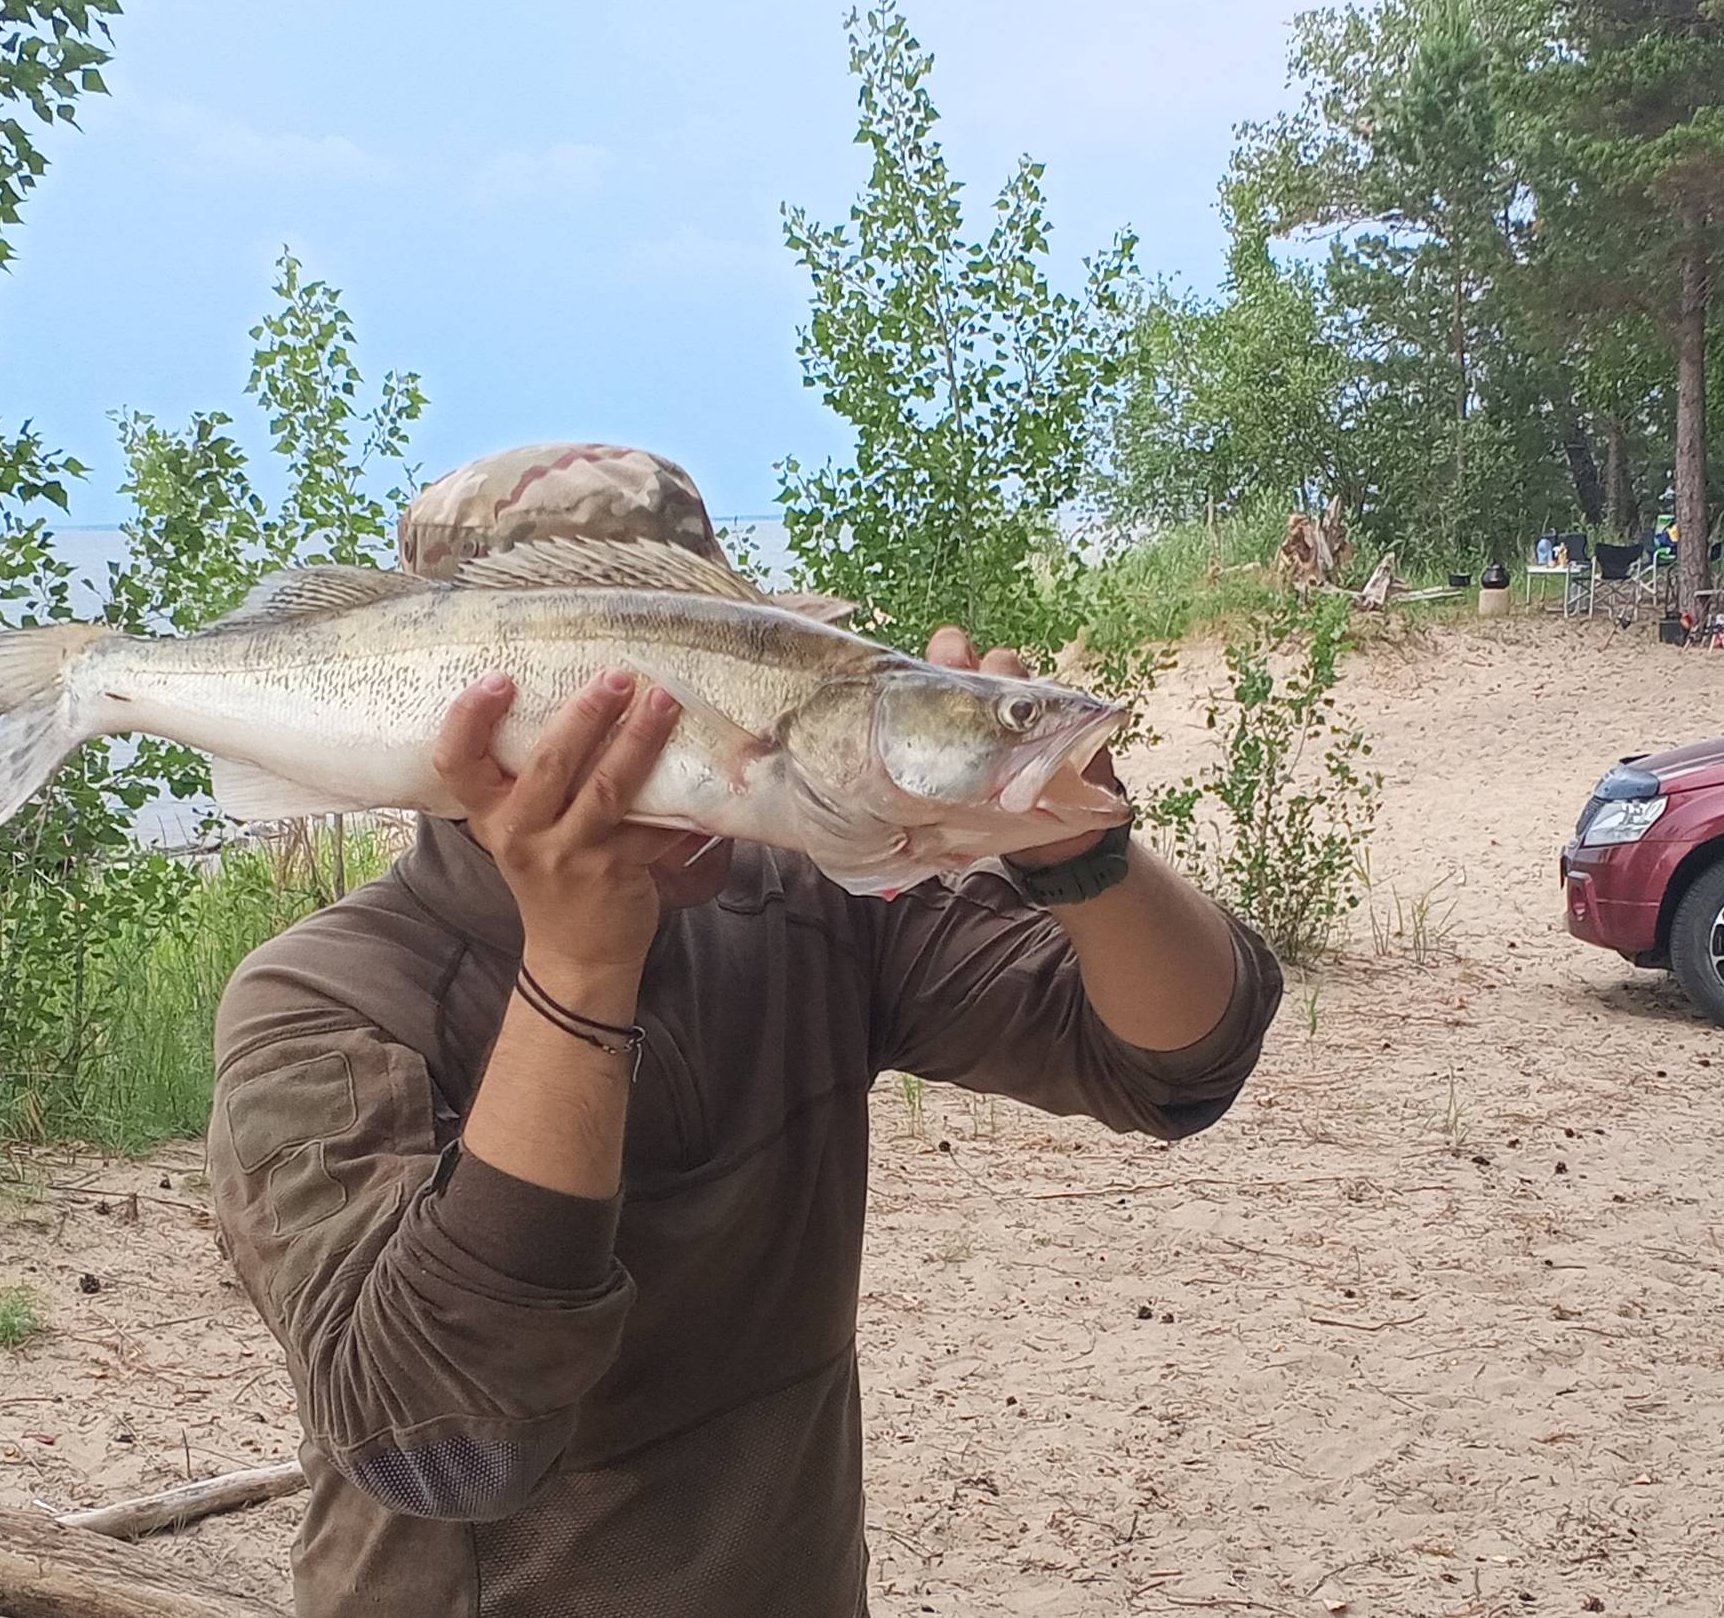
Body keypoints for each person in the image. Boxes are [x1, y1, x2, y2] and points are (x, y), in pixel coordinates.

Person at [207, 442, 1283, 1617]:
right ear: (480, 728)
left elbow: (1179, 1061)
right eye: (625, 707)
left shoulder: (809, 901)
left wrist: (1086, 857)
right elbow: (442, 1443)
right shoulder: (319, 1002)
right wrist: (579, 964)